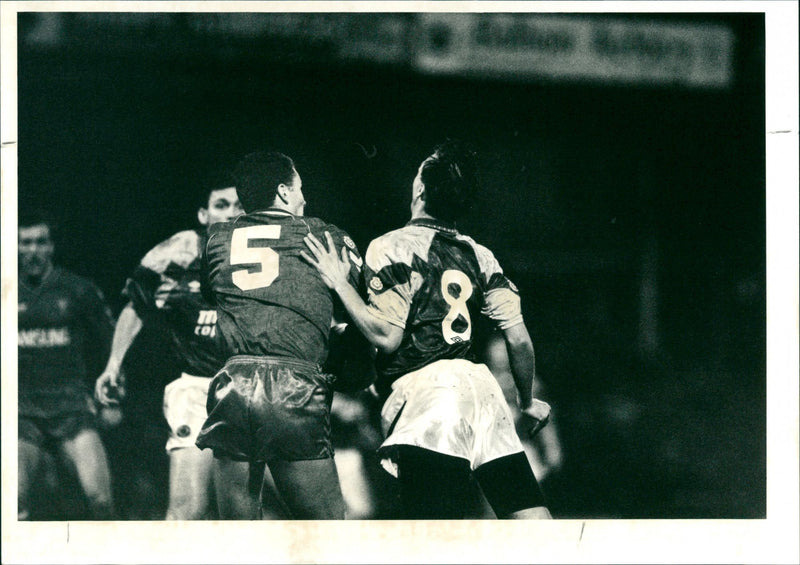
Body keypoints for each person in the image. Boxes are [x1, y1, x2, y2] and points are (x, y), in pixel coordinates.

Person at [302, 140, 553, 519]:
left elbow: (387, 336)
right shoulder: (480, 254)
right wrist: (527, 401)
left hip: (433, 399)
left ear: (419, 189)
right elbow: (518, 338)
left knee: (433, 535)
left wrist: (340, 284)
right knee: (532, 520)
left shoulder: (392, 246)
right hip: (483, 392)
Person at [195, 150, 369, 520]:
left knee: (239, 539)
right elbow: (364, 307)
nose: (304, 198)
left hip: (233, 385)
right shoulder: (324, 235)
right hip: (293, 386)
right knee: (327, 532)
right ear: (284, 192)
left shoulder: (215, 239)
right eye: (299, 188)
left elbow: (217, 294)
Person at [94, 177, 243, 520]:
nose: (232, 213)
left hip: (256, 388)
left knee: (245, 514)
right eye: (222, 205)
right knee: (186, 510)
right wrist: (114, 364)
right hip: (197, 388)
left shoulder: (270, 252)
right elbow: (137, 304)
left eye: (239, 205)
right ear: (203, 215)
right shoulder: (182, 251)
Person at [18, 209, 115, 520]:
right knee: (13, 503)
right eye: (25, 243)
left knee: (99, 500)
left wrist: (114, 396)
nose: (33, 251)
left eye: (40, 242)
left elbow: (111, 343)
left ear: (51, 247)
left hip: (71, 408)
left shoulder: (77, 289)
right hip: (22, 414)